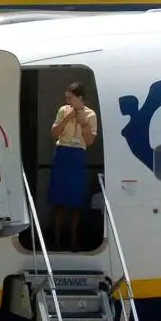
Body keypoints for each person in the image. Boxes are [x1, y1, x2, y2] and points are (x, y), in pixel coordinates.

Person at [47, 82, 98, 251]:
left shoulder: (90, 115)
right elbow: (54, 133)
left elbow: (90, 141)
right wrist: (66, 118)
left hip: (77, 155)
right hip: (62, 153)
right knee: (58, 200)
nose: (67, 100)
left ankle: (73, 241)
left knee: (75, 201)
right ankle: (56, 240)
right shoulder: (63, 110)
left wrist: (83, 124)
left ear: (79, 98)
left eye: (70, 98)